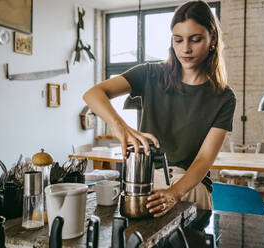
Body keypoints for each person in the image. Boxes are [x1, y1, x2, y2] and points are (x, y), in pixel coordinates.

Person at [83, 0, 236, 217]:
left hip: (190, 189)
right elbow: (93, 94)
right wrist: (121, 128)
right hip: (145, 182)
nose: (186, 49)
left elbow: (203, 159)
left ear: (212, 40)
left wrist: (174, 193)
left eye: (196, 39)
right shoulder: (150, 74)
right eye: (178, 40)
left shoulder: (224, 97)